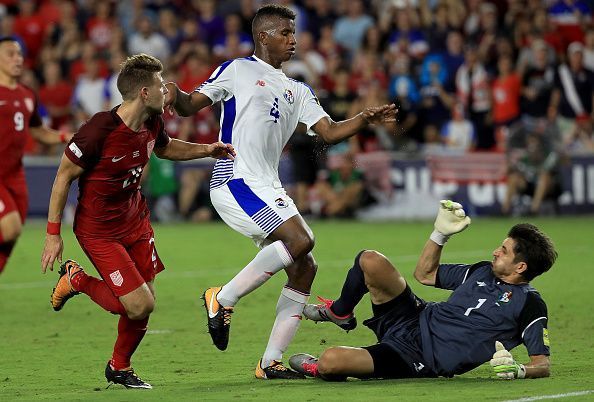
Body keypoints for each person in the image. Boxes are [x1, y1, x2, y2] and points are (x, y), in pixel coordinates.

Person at [165, 4, 397, 379]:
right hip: (234, 177)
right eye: (285, 33)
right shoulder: (237, 70)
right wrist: (174, 92)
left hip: (268, 184)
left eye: (294, 33)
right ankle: (221, 298)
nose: (293, 40)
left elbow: (330, 132)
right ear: (263, 36)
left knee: (305, 266)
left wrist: (362, 120)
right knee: (301, 241)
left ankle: (269, 362)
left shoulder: (298, 89)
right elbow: (191, 105)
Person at [40, 54, 234, 389]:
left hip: (136, 221)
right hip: (98, 230)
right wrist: (52, 234)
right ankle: (77, 280)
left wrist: (208, 150)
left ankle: (120, 367)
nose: (167, 90)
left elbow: (167, 149)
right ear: (144, 92)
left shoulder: (152, 122)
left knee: (143, 306)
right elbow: (62, 178)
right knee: (139, 303)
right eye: (161, 84)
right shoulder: (98, 129)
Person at [289, 200, 556, 381]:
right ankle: (340, 312)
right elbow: (425, 275)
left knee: (331, 360)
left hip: (417, 356)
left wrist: (520, 370)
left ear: (521, 266)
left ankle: (317, 368)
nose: (496, 251)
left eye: (504, 251)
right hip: (414, 315)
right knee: (370, 259)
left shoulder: (529, 304)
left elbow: (541, 364)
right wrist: (439, 235)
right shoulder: (482, 270)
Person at [0, 37, 71, 275]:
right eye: (10, 53)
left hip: (15, 176)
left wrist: (64, 137)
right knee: (9, 228)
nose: (17, 59)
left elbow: (38, 131)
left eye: (19, 54)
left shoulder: (27, 95)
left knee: (13, 234)